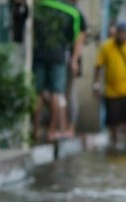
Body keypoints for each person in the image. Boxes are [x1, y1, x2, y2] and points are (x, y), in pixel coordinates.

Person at [32, 0, 87, 141]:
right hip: (58, 57)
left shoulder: (40, 4)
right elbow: (79, 39)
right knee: (57, 93)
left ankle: (35, 130)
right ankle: (51, 131)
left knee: (36, 92)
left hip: (38, 54)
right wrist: (74, 60)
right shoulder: (73, 12)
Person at [93, 21, 126, 152]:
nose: (122, 36)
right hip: (112, 91)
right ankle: (114, 142)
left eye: (124, 33)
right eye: (120, 33)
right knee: (112, 121)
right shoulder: (106, 47)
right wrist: (96, 84)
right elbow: (98, 66)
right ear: (116, 33)